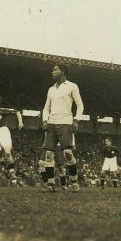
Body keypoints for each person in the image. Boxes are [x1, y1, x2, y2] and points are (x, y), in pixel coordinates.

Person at [41, 64, 84, 192]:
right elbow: (45, 108)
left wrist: (76, 119)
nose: (52, 71)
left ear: (63, 72)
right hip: (52, 122)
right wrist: (44, 120)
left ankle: (74, 181)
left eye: (56, 69)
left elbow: (80, 105)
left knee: (67, 153)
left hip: (65, 121)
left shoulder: (72, 86)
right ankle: (50, 183)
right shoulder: (51, 89)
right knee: (49, 154)